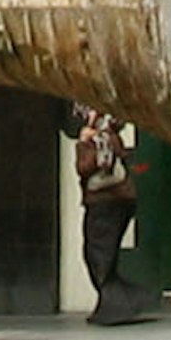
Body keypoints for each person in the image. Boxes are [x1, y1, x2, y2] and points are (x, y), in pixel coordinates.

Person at [69, 104, 144, 324]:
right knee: (102, 255)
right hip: (117, 200)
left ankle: (118, 305)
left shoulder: (101, 138)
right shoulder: (111, 134)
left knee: (98, 254)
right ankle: (122, 301)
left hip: (105, 202)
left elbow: (86, 167)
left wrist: (85, 143)